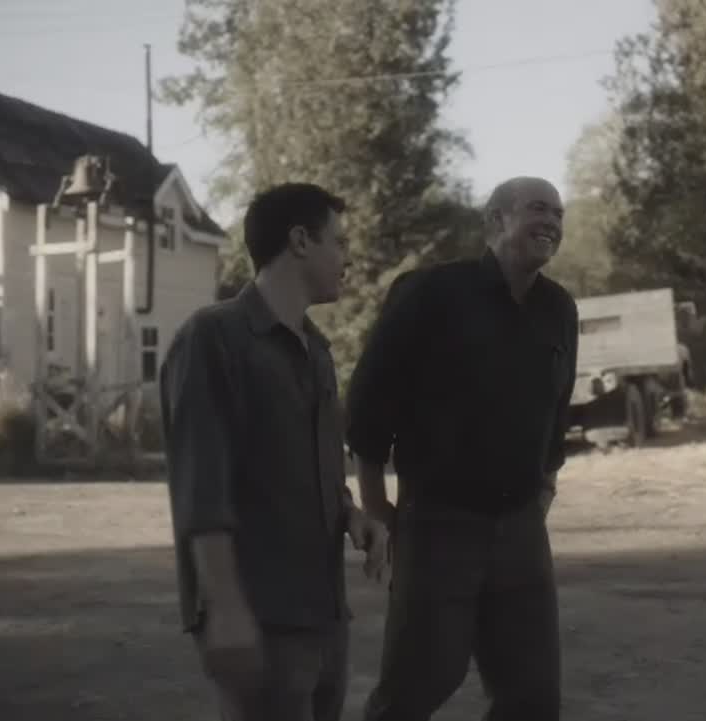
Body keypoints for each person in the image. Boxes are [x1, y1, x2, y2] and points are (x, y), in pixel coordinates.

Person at [345, 176, 578, 721]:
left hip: (521, 527)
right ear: (496, 220)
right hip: (439, 525)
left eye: (559, 215)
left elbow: (557, 411)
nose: (552, 222)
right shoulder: (430, 293)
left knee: (532, 694)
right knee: (418, 684)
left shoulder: (559, 308)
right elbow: (369, 404)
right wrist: (378, 507)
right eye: (538, 209)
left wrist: (544, 490)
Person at [160, 182, 388, 721]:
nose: (348, 258)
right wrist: (225, 607)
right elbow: (201, 486)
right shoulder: (212, 338)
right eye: (339, 242)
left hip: (324, 615)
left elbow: (313, 466)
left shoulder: (317, 350)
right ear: (300, 241)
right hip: (259, 617)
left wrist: (353, 515)